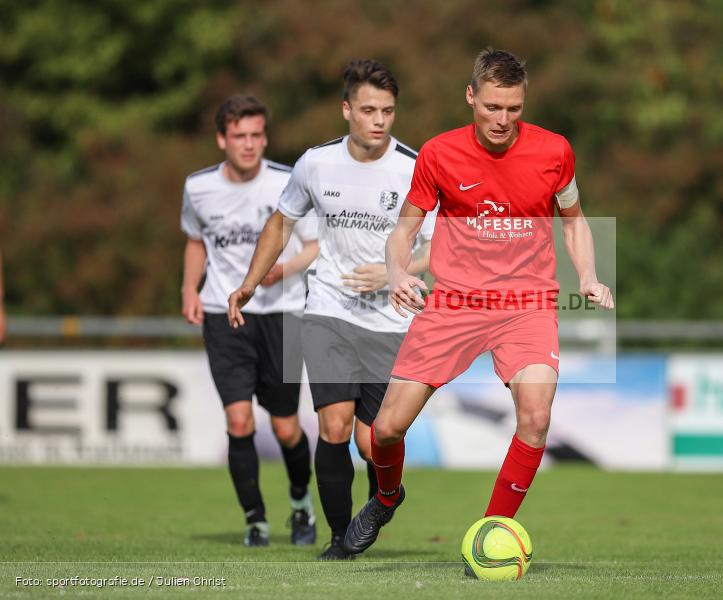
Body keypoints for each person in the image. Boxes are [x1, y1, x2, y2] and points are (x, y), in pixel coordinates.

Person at [342, 48, 615, 555]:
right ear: (471, 97)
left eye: (513, 108)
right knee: (385, 428)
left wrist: (589, 276)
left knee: (535, 418)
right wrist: (398, 272)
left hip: (527, 303)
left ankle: (493, 534)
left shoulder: (555, 152)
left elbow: (574, 220)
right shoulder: (439, 154)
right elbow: (404, 231)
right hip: (454, 304)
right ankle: (384, 497)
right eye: (492, 107)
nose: (502, 120)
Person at [227, 60, 434, 560]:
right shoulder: (315, 164)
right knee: (334, 426)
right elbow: (280, 224)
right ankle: (341, 540)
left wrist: (395, 273)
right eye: (368, 110)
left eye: (387, 111)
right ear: (347, 110)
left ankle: (382, 501)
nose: (379, 120)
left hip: (391, 321)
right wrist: (249, 283)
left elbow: (442, 246)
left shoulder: (415, 167)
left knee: (373, 444)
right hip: (327, 310)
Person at [181, 95, 320, 547]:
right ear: (222, 139)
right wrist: (189, 289)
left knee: (285, 426)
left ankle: (301, 504)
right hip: (224, 315)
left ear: (265, 137)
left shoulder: (288, 182)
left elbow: (314, 245)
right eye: (239, 136)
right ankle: (255, 520)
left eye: (256, 135)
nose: (249, 144)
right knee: (239, 421)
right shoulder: (198, 187)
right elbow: (195, 240)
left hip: (283, 315)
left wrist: (282, 269)